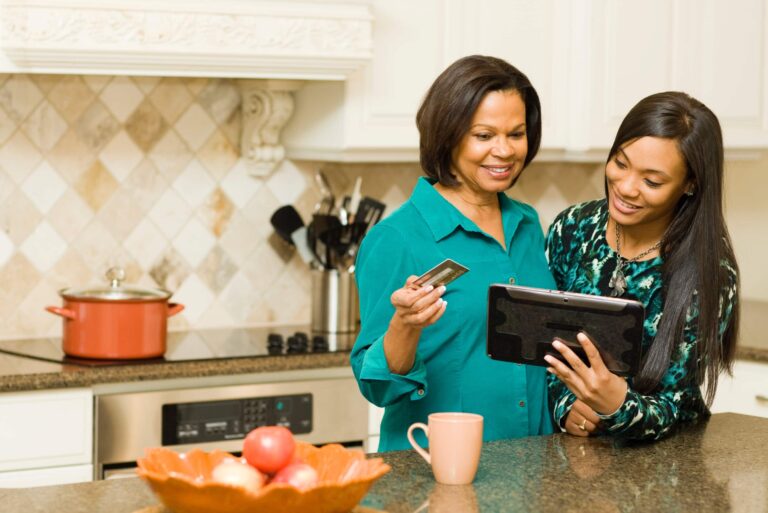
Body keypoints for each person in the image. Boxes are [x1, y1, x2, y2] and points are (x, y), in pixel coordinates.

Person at [350, 55, 556, 451]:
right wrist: (405, 325)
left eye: (516, 134)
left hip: (533, 465)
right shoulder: (395, 238)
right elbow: (376, 386)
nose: (504, 150)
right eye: (484, 135)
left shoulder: (527, 224)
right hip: (437, 465)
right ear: (448, 136)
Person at [545, 91, 740, 440]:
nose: (626, 187)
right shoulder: (573, 227)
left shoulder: (710, 273)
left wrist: (615, 405)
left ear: (690, 184)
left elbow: (674, 406)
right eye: (620, 163)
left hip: (670, 461)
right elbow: (543, 345)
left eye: (651, 181)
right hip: (578, 459)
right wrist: (568, 406)